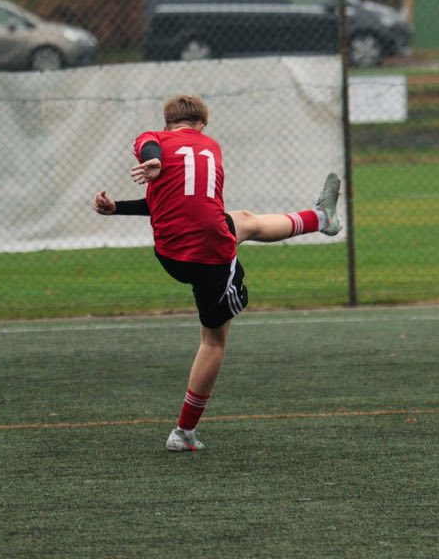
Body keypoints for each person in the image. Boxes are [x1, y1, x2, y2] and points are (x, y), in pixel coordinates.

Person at [92, 94, 340, 452]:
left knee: (244, 221)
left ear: (167, 123)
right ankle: (183, 433)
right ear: (203, 125)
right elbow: (156, 159)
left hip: (171, 253)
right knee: (213, 341)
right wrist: (155, 162)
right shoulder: (211, 147)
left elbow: (151, 156)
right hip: (209, 254)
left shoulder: (155, 138)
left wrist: (118, 204)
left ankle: (320, 218)